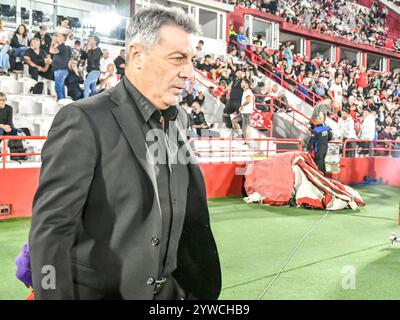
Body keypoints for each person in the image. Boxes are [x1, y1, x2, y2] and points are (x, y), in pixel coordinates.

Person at [29, 5, 221, 300]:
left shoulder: (179, 119)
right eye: (177, 59)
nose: (190, 73)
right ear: (137, 55)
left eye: (191, 60)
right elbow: (51, 230)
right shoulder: (83, 120)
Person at [50, 32, 71, 100]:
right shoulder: (61, 47)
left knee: (58, 87)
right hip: (61, 70)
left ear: (62, 39)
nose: (56, 38)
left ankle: (61, 101)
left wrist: (52, 43)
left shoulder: (61, 47)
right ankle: (62, 100)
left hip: (60, 70)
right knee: (61, 87)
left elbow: (51, 51)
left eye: (58, 37)